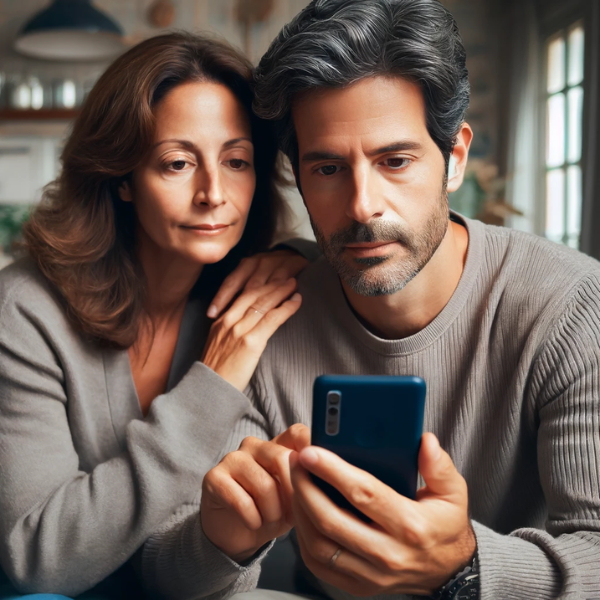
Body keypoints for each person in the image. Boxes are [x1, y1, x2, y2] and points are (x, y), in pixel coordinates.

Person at [142, 1, 600, 599]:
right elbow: (160, 570)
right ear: (298, 176)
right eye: (328, 168)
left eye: (396, 161)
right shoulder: (266, 315)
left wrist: (463, 569)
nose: (362, 206)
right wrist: (219, 540)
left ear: (454, 157)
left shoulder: (568, 306)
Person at [0, 32, 318, 600]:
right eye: (177, 163)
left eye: (237, 160)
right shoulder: (26, 308)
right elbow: (36, 561)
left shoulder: (249, 307)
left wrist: (297, 254)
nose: (214, 193)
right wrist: (212, 386)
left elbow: (172, 567)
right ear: (122, 179)